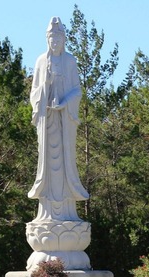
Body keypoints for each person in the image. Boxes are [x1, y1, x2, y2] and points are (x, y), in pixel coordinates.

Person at [28, 17, 89, 222]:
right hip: (47, 121)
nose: (55, 43)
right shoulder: (40, 61)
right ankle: (46, 211)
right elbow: (34, 92)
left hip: (64, 121)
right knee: (46, 157)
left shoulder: (70, 61)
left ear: (63, 40)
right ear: (47, 40)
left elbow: (77, 90)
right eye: (51, 39)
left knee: (65, 157)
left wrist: (64, 103)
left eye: (58, 39)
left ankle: (67, 210)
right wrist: (45, 88)